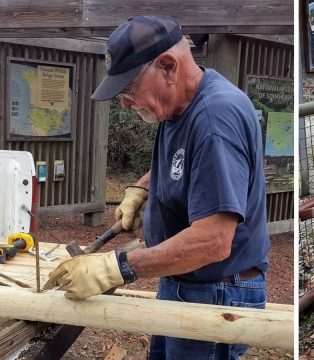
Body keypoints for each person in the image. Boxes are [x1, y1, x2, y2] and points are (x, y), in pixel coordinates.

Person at [48, 14, 270, 359]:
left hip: (216, 291)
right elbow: (191, 165)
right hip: (188, 281)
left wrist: (115, 267)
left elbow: (213, 241)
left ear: (167, 65)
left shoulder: (215, 118)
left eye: (129, 89)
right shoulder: (179, 108)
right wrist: (142, 188)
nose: (124, 103)